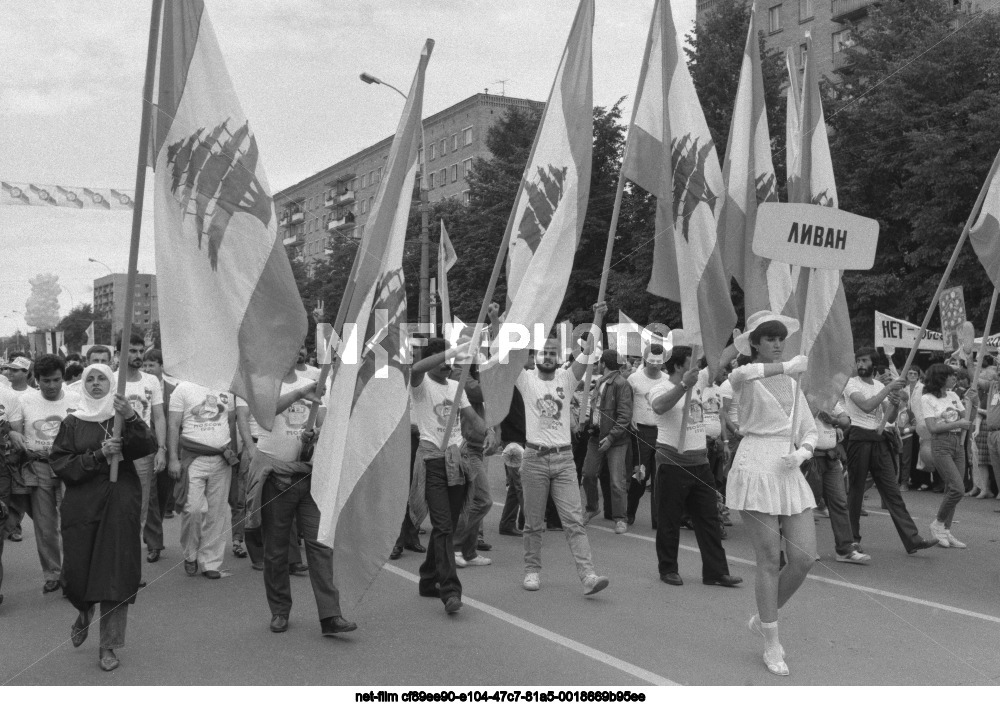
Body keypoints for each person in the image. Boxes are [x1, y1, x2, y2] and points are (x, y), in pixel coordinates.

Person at [723, 312, 816, 677]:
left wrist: (803, 452)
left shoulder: (794, 384)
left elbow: (809, 429)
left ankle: (765, 616)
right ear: (755, 344)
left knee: (804, 557)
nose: (778, 344)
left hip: (788, 469)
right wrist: (789, 366)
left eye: (781, 338)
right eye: (769, 338)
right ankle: (771, 642)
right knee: (767, 558)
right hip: (755, 464)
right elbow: (740, 375)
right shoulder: (746, 376)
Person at [50, 363, 155, 672]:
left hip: (119, 498)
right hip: (82, 503)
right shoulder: (72, 421)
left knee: (115, 572)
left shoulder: (121, 417)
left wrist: (132, 417)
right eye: (90, 379)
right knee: (79, 570)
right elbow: (60, 463)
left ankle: (108, 644)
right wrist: (98, 455)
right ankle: (83, 610)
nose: (96, 383)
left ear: (111, 383)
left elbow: (147, 446)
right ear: (83, 384)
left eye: (102, 378)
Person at [242, 366, 357, 636]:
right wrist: (301, 393)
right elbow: (265, 415)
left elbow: (324, 420)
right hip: (275, 476)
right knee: (276, 549)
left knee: (319, 545)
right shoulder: (264, 382)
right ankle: (280, 611)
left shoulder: (315, 382)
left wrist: (316, 433)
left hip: (309, 476)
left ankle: (331, 615)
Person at [517, 304, 610, 597]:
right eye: (542, 351)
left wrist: (597, 317)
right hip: (534, 459)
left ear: (558, 357)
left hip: (564, 459)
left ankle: (588, 575)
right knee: (534, 523)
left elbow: (590, 348)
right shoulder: (525, 378)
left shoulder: (567, 379)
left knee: (574, 521)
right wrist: (498, 321)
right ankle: (532, 570)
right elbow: (504, 354)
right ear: (535, 356)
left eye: (552, 352)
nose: (547, 356)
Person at [650, 339, 741, 590]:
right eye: (692, 363)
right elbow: (659, 407)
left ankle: (716, 572)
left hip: (700, 462)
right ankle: (668, 568)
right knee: (669, 519)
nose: (699, 367)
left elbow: (721, 358)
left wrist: (745, 336)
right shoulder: (659, 387)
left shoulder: (700, 379)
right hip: (672, 462)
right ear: (679, 366)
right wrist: (682, 386)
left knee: (709, 520)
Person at [408, 337, 487, 614]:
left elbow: (471, 418)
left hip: (457, 461)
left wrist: (485, 432)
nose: (447, 364)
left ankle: (428, 579)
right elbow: (415, 369)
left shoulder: (456, 386)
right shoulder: (420, 386)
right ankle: (450, 590)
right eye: (440, 359)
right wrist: (451, 350)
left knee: (447, 526)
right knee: (442, 526)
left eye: (449, 360)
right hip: (432, 461)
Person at [843, 349, 937, 557]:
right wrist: (888, 390)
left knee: (892, 491)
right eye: (858, 360)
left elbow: (891, 418)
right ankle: (851, 541)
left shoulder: (878, 386)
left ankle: (913, 539)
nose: (860, 364)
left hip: (880, 439)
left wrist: (894, 403)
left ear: (873, 364)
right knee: (857, 491)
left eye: (865, 360)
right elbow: (867, 406)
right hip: (859, 437)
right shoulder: (851, 384)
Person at [8, 354, 79, 593]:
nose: (51, 386)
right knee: (45, 525)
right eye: (45, 381)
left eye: (56, 380)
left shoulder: (76, 397)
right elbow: (16, 433)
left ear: (63, 378)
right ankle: (52, 574)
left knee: (72, 522)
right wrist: (13, 435)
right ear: (36, 379)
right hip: (38, 466)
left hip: (70, 467)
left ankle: (73, 572)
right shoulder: (25, 400)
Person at [167, 380, 238, 579]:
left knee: (217, 511)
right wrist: (173, 458)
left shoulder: (227, 388)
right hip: (193, 458)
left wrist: (233, 453)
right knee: (193, 509)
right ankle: (190, 554)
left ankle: (211, 562)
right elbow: (173, 425)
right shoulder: (183, 388)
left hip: (221, 458)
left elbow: (230, 422)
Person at [117, 335, 166, 565]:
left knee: (141, 511)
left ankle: (131, 565)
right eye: (132, 351)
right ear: (119, 353)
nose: (137, 356)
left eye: (140, 351)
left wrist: (162, 449)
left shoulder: (151, 381)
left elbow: (159, 416)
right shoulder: (113, 380)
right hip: (116, 452)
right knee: (118, 509)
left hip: (143, 453)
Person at [922, 363, 978, 548]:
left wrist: (974, 402)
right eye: (950, 375)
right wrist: (956, 425)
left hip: (958, 444)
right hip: (941, 444)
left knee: (951, 489)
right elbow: (932, 428)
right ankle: (937, 524)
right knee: (958, 488)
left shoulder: (954, 395)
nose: (954, 378)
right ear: (940, 377)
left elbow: (968, 419)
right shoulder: (927, 398)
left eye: (955, 375)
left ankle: (945, 530)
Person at [581, 348, 634, 534]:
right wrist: (587, 423)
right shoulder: (601, 382)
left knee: (617, 481)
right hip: (595, 436)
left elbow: (624, 416)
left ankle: (620, 518)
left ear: (603, 363)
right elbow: (596, 409)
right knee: (588, 474)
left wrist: (611, 437)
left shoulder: (621, 384)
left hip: (616, 440)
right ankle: (592, 507)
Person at [453, 365, 495, 568]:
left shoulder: (477, 373)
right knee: (483, 500)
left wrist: (495, 436)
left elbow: (494, 405)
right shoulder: (459, 372)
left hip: (479, 446)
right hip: (466, 447)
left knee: (473, 500)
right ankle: (454, 546)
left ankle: (468, 551)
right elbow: (479, 392)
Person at [141, 349, 175, 562]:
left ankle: (154, 527)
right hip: (146, 448)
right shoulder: (140, 386)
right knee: (151, 496)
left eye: (152, 364)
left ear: (162, 366)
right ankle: (154, 542)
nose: (147, 369)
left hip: (169, 449)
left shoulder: (175, 389)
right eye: (145, 365)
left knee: (163, 494)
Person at [627, 343, 665, 528]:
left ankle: (657, 520)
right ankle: (630, 511)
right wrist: (629, 419)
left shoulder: (667, 379)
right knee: (640, 476)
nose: (655, 365)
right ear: (645, 359)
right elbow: (626, 402)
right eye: (651, 361)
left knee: (660, 478)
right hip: (641, 432)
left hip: (662, 432)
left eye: (659, 361)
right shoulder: (634, 379)